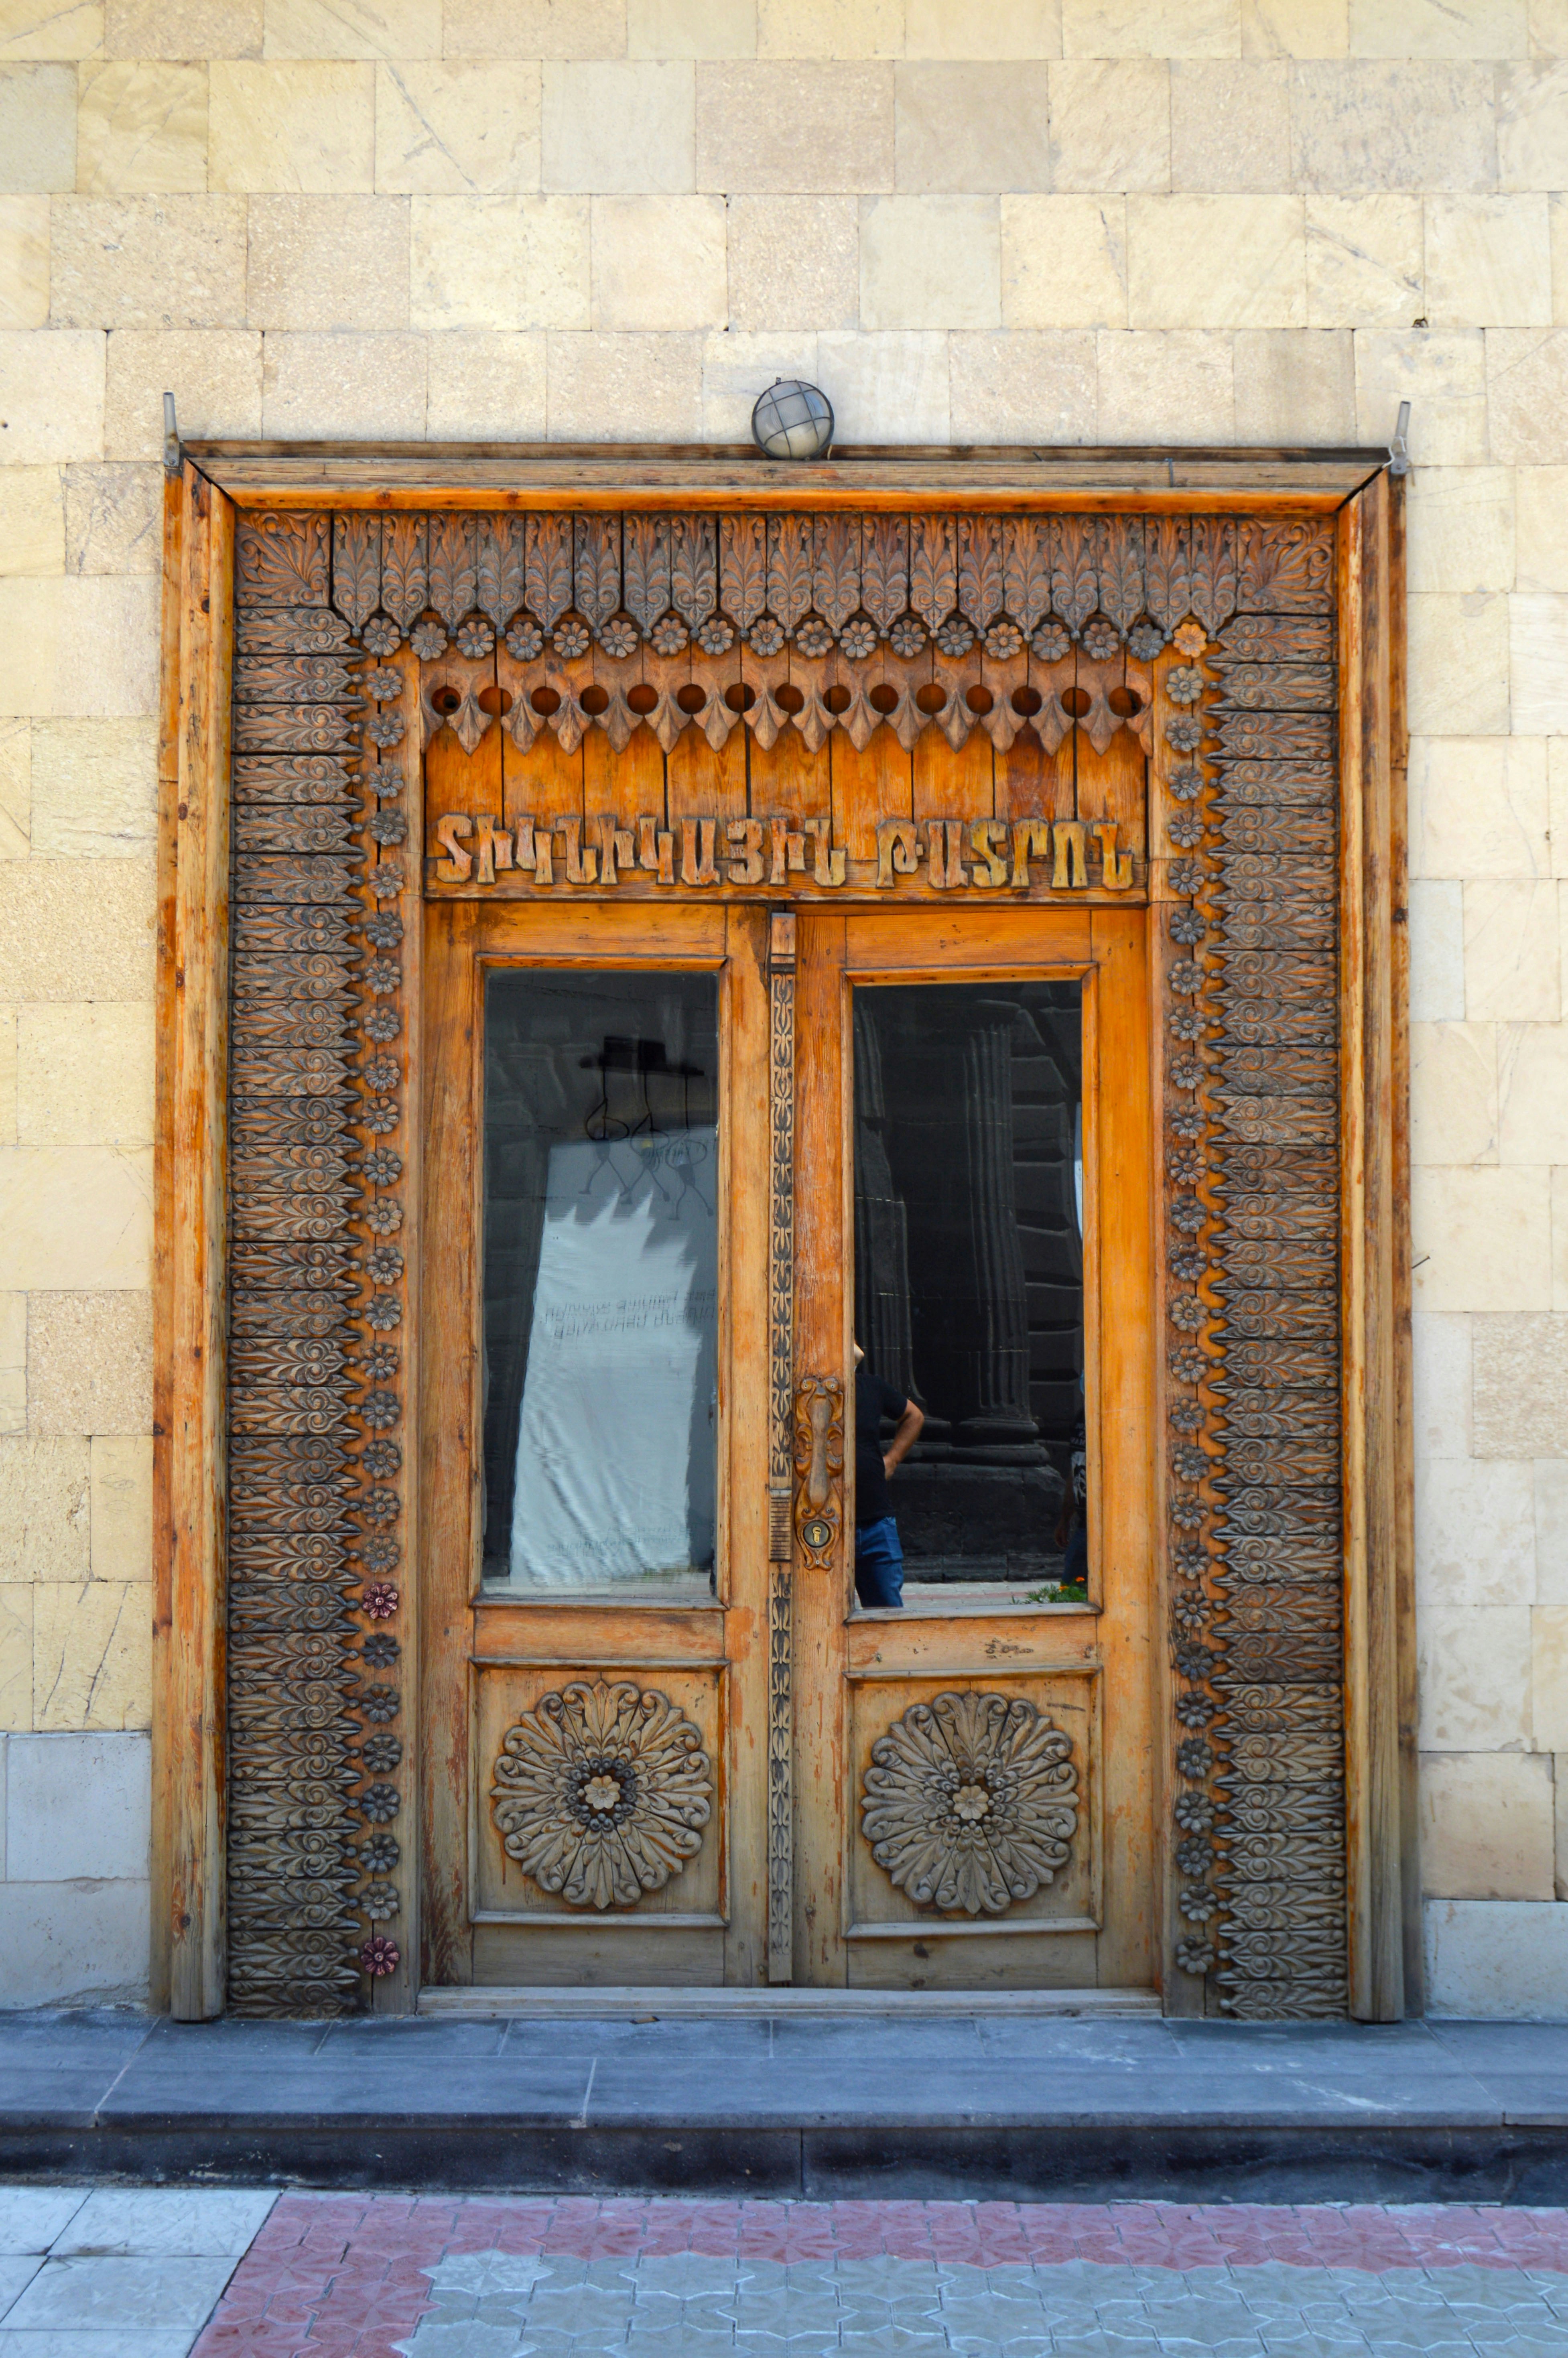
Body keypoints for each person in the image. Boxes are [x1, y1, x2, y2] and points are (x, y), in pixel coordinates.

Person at [852, 1341, 924, 1610]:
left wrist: (892, 1459)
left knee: (887, 1614)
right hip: (825, 1529)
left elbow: (913, 1416)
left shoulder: (870, 1386)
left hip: (875, 1523)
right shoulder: (805, 1392)